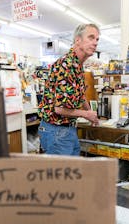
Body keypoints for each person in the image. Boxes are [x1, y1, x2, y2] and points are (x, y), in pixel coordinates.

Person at [37, 23, 100, 156]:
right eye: (91, 37)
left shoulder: (77, 65)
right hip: (56, 131)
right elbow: (59, 109)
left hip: (66, 130)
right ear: (78, 40)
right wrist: (86, 114)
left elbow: (80, 94)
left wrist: (90, 112)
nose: (95, 43)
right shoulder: (66, 65)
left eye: (97, 39)